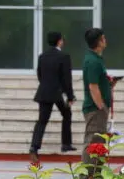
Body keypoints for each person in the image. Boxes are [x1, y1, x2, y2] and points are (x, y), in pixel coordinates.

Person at [29, 31, 76, 163]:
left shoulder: (42, 56)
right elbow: (67, 79)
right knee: (67, 114)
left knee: (42, 121)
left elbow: (39, 74)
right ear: (59, 41)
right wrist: (70, 96)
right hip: (57, 93)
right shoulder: (64, 56)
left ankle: (34, 148)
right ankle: (66, 144)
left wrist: (46, 85)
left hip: (44, 92)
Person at [81, 28, 117, 177]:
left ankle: (96, 172)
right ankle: (88, 173)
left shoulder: (97, 59)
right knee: (93, 141)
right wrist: (101, 106)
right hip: (95, 109)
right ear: (99, 42)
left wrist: (109, 84)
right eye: (103, 38)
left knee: (99, 141)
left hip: (99, 108)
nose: (105, 41)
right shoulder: (93, 61)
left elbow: (98, 82)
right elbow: (93, 86)